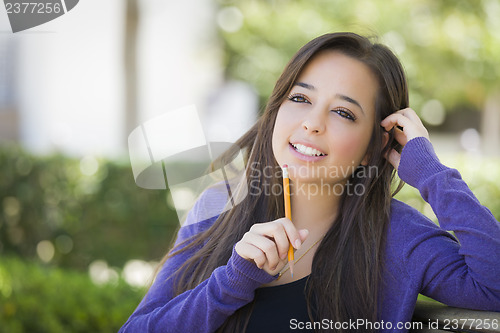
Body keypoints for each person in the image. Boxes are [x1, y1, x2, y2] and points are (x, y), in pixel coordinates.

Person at [119, 32, 500, 333]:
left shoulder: (400, 236)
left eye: (342, 112)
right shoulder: (219, 205)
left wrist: (429, 171)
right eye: (300, 98)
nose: (312, 122)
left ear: (375, 145)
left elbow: (494, 286)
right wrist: (231, 283)